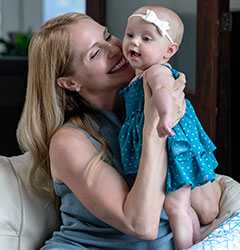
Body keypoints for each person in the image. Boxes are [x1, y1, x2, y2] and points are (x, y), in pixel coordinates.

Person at [16, 12, 221, 250]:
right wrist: (154, 128)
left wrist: (177, 120)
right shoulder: (69, 141)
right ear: (70, 83)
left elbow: (209, 208)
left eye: (107, 36)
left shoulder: (145, 108)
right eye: (95, 53)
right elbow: (141, 226)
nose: (114, 49)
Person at [118, 6, 219, 250]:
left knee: (176, 208)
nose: (135, 43)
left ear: (169, 50)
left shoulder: (156, 71)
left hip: (171, 146)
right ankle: (198, 242)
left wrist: (164, 116)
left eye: (146, 38)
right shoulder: (140, 73)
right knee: (181, 206)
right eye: (130, 35)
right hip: (167, 144)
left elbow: (164, 91)